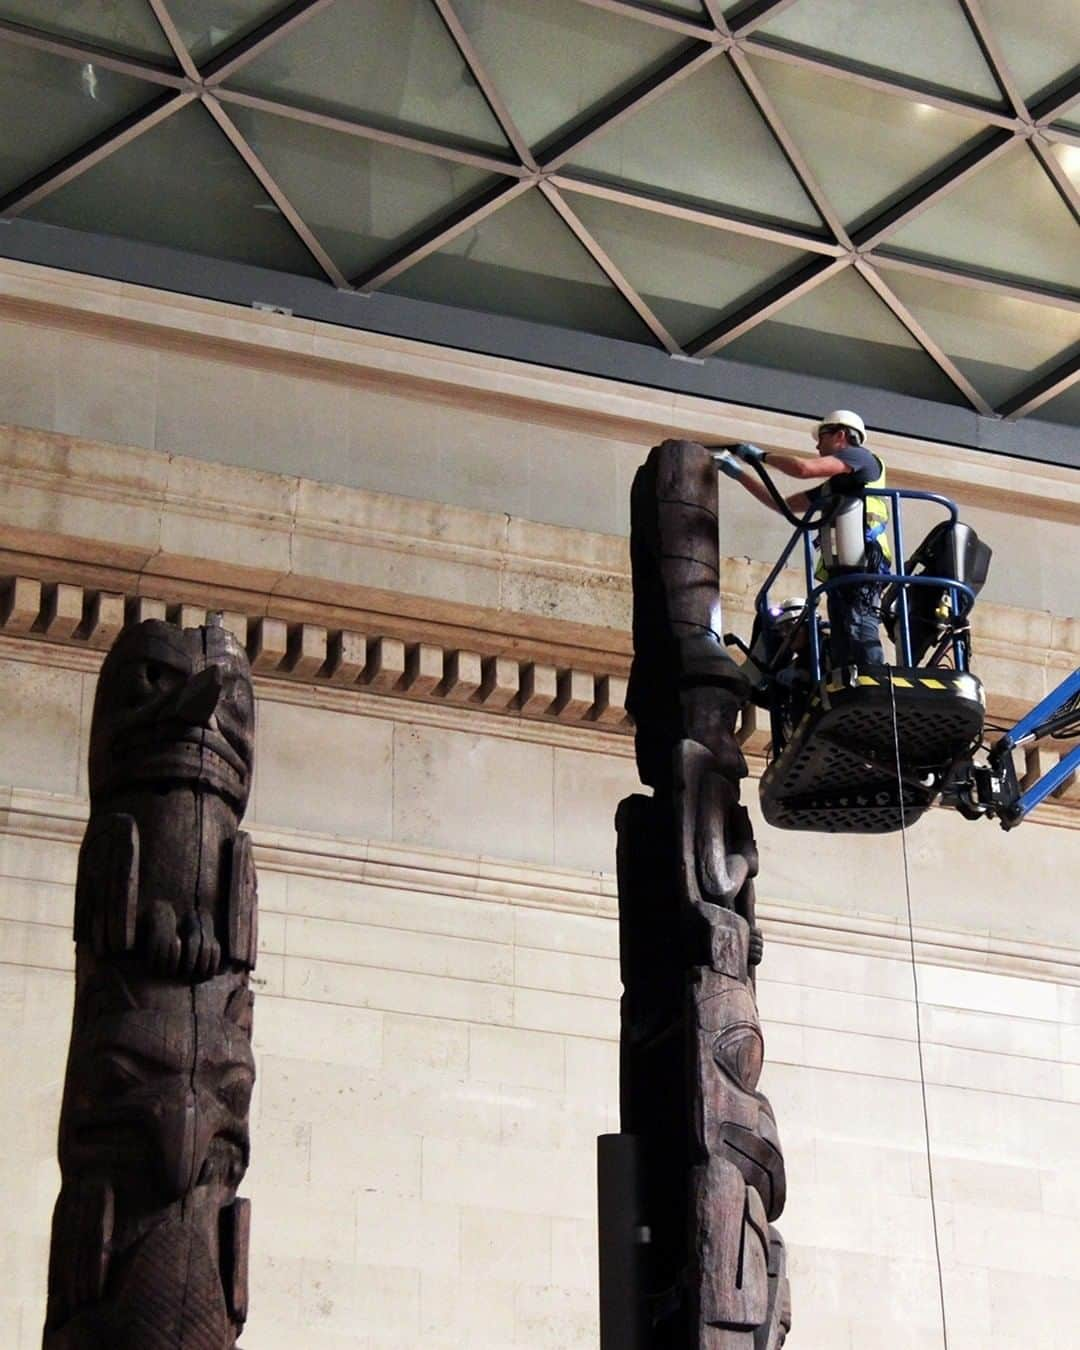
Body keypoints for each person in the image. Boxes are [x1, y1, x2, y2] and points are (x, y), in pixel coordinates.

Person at [716, 410, 891, 670]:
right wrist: (739, 474)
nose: (817, 445)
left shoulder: (861, 457)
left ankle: (873, 686)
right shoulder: (836, 487)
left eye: (822, 437)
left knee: (860, 632)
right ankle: (852, 689)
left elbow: (803, 468)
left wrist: (761, 457)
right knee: (845, 641)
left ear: (841, 435)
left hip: (864, 569)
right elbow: (783, 506)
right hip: (842, 574)